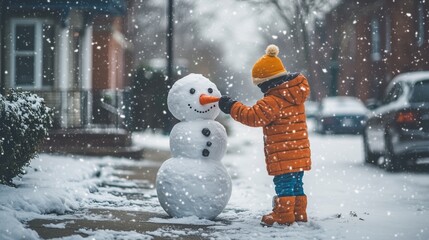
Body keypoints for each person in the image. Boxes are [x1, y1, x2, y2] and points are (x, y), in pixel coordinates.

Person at [218, 44, 311, 226]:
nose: (261, 89)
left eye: (261, 85)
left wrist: (231, 106)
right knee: (296, 183)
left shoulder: (273, 100)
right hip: (298, 152)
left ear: (269, 81)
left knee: (284, 184)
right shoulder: (294, 94)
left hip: (283, 154)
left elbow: (253, 117)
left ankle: (283, 215)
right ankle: (298, 213)